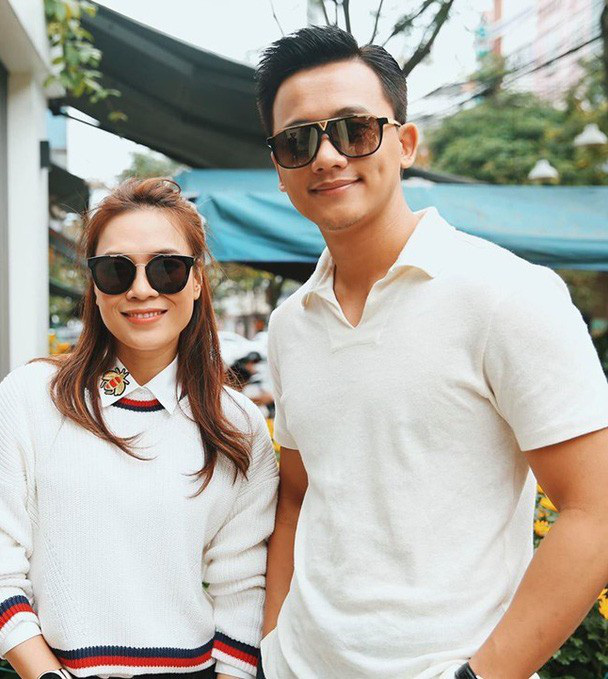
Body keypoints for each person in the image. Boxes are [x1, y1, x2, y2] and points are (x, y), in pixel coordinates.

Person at [254, 26, 608, 679]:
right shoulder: (289, 326)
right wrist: (272, 644)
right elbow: (299, 496)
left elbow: (597, 510)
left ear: (406, 143)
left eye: (354, 130)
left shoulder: (507, 294)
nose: (327, 156)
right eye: (298, 141)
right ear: (280, 168)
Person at [0, 178, 278, 679]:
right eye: (115, 269)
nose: (141, 288)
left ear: (197, 281)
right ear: (95, 285)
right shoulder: (32, 398)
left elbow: (242, 586)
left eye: (167, 268)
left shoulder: (235, 423)